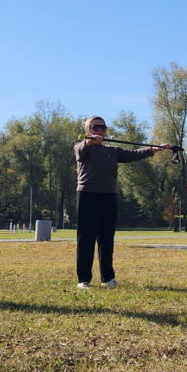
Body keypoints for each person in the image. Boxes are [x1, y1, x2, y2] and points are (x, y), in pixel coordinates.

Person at [74, 116, 171, 289]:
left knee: (106, 239)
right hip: (88, 196)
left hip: (109, 196)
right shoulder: (82, 147)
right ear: (87, 130)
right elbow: (80, 150)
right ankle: (83, 280)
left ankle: (107, 278)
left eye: (103, 127)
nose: (100, 130)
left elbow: (135, 154)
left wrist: (156, 149)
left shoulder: (113, 150)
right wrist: (89, 142)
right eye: (96, 127)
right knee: (86, 239)